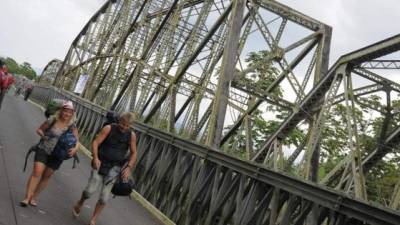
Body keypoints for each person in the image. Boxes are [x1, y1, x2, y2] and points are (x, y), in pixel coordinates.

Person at [73, 112, 137, 225]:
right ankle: (80, 202)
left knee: (104, 197)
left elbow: (134, 153)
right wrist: (96, 158)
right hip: (100, 163)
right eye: (123, 124)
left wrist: (128, 167)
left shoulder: (131, 135)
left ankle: (94, 219)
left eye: (127, 126)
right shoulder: (108, 128)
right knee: (89, 191)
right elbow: (96, 143)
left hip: (115, 168)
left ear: (131, 126)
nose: (124, 127)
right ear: (119, 121)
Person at [20, 100, 79, 207]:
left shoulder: (72, 126)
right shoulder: (52, 119)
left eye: (70, 112)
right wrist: (43, 136)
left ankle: (34, 197)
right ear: (61, 111)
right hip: (44, 148)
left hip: (58, 154)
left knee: (46, 176)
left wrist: (75, 149)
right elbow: (39, 130)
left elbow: (76, 141)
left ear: (72, 114)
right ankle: (27, 197)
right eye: (65, 111)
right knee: (37, 172)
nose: (67, 114)